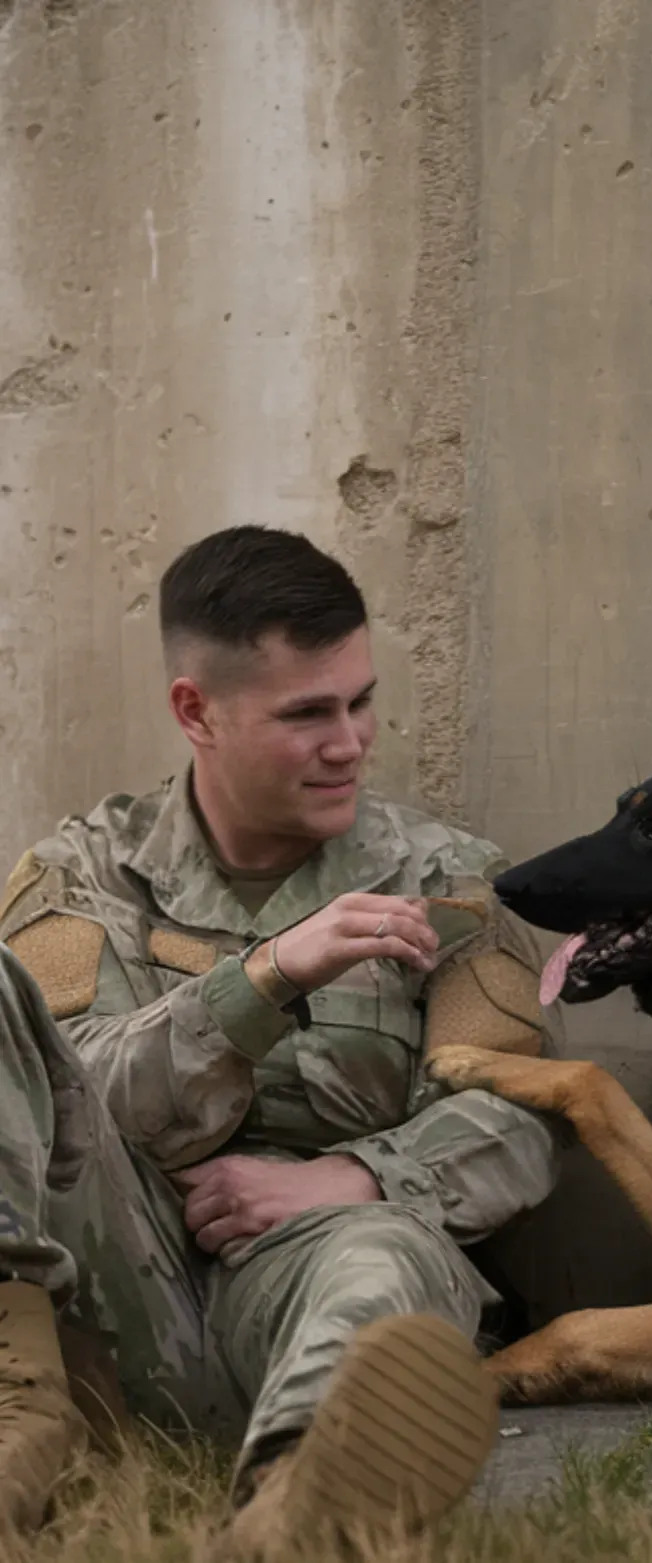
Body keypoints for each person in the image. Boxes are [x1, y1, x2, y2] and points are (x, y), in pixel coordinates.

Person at [0, 525, 561, 1553]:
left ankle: (293, 1506)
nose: (349, 742)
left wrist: (357, 1177)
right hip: (114, 1286)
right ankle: (17, 1426)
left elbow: (519, 1120)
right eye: (307, 713)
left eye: (361, 702)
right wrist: (267, 978)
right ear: (194, 712)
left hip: (315, 1275)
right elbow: (65, 1112)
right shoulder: (81, 878)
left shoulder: (442, 881)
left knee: (388, 1254)